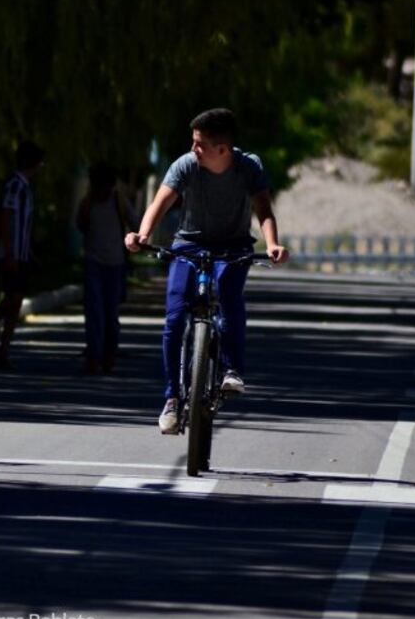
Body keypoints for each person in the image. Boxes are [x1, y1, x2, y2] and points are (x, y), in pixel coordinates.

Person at [124, 108, 289, 434]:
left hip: (234, 246)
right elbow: (160, 203)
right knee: (174, 315)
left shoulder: (248, 167)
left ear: (222, 150)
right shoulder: (186, 165)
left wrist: (272, 244)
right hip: (189, 245)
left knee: (229, 292)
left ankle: (231, 371)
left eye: (199, 144)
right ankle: (172, 398)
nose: (193, 149)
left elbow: (263, 209)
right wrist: (142, 235)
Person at [0, 140, 45, 369]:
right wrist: (10, 252)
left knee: (15, 301)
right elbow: (5, 216)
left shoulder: (26, 188)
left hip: (20, 253)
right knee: (11, 298)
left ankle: (1, 350)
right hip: (11, 254)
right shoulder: (15, 186)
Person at [76, 162, 132, 374]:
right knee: (94, 312)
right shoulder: (87, 202)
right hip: (93, 263)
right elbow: (79, 224)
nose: (100, 190)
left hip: (115, 265)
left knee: (110, 313)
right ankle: (94, 355)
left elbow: (135, 222)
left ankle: (108, 354)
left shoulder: (118, 201)